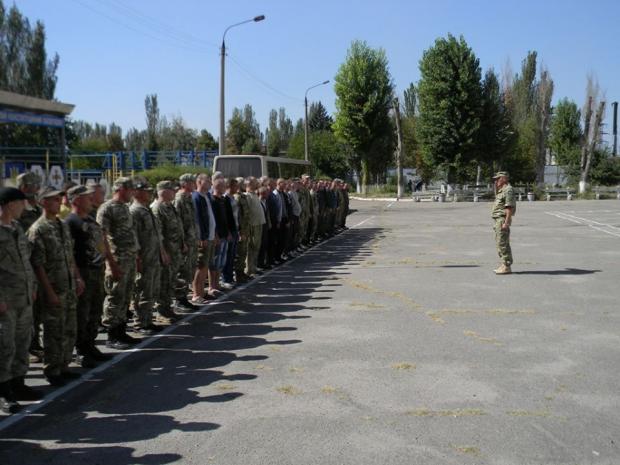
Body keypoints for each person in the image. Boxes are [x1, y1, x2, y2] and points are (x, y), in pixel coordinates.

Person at [29, 186, 85, 386]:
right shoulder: (39, 229)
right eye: (53, 199)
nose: (57, 202)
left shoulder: (61, 224)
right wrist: (49, 291)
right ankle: (52, 370)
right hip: (54, 287)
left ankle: (64, 365)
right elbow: (38, 264)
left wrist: (77, 278)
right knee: (54, 331)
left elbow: (69, 256)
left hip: (68, 285)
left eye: (58, 199)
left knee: (69, 328)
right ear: (43, 202)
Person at [0, 187, 40, 414]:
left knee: (23, 341)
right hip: (5, 299)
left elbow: (25, 262)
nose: (23, 208)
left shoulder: (16, 228)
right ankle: (4, 392)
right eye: (20, 203)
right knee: (5, 345)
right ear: (8, 204)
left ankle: (18, 383)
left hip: (23, 296)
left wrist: (32, 287)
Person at [65, 184, 114, 366]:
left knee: (95, 310)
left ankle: (90, 345)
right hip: (83, 271)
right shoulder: (70, 222)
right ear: (76, 200)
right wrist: (76, 277)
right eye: (87, 197)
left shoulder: (92, 220)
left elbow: (102, 243)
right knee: (82, 313)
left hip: (97, 270)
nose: (91, 199)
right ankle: (81, 350)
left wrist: (109, 262)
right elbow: (68, 253)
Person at [97, 177, 141, 348]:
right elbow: (102, 238)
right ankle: (112, 335)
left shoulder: (125, 208)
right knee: (115, 297)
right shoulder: (107, 208)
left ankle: (121, 332)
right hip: (117, 260)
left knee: (125, 296)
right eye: (131, 189)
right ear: (121, 189)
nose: (133, 193)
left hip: (129, 259)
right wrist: (111, 263)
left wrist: (136, 256)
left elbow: (130, 234)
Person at [130, 178, 167, 335]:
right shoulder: (135, 211)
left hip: (153, 257)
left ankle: (148, 320)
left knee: (152, 289)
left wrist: (162, 252)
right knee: (142, 290)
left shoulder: (146, 209)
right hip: (144, 258)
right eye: (146, 191)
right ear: (137, 192)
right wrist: (137, 259)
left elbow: (156, 235)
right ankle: (140, 323)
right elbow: (134, 237)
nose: (149, 193)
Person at [151, 181, 186, 323]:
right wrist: (163, 252)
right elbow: (158, 234)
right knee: (164, 282)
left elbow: (178, 227)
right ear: (163, 191)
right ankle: (161, 311)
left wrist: (183, 243)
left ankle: (168, 308)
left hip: (175, 250)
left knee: (171, 281)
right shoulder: (157, 208)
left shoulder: (170, 207)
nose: (174, 192)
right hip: (166, 253)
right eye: (172, 190)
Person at [191, 174, 216, 304]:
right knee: (200, 266)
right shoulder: (196, 197)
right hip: (204, 238)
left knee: (205, 266)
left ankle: (202, 292)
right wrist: (202, 237)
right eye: (207, 181)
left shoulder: (207, 196)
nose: (210, 183)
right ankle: (196, 294)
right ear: (199, 182)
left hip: (210, 236)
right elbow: (198, 220)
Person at [175, 174, 198, 305]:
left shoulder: (189, 197)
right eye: (192, 181)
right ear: (185, 184)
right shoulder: (179, 199)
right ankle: (179, 299)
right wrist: (182, 242)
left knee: (189, 270)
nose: (194, 183)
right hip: (184, 242)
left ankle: (184, 297)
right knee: (183, 271)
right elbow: (178, 223)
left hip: (191, 240)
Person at [491, 171, 516, 275]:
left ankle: (506, 265)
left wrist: (506, 223)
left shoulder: (508, 190)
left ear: (504, 178)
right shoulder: (502, 190)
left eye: (498, 179)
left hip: (502, 220)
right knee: (500, 243)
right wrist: (497, 186)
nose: (496, 181)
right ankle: (504, 264)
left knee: (502, 243)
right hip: (498, 220)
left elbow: (509, 208)